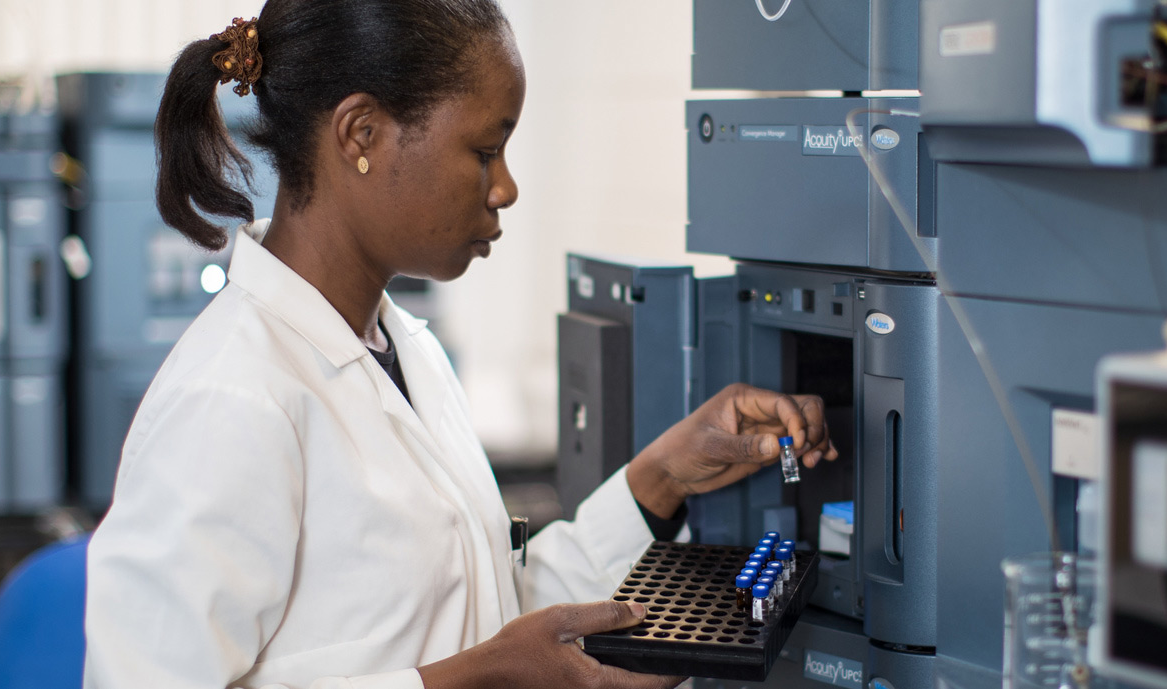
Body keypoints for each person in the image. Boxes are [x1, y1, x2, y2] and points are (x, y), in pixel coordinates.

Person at [82, 2, 839, 688]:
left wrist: (661, 476)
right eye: (485, 150)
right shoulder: (232, 397)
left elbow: (488, 613)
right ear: (361, 135)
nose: (505, 187)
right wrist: (473, 682)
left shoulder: (404, 350)